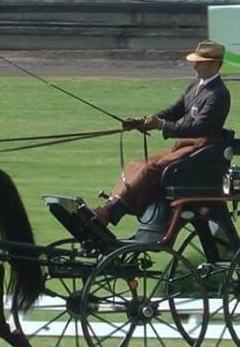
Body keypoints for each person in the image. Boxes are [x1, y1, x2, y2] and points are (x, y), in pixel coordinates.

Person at [93, 39, 232, 227]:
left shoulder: (218, 94)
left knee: (150, 169)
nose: (195, 66)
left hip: (201, 148)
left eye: (200, 62)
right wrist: (143, 121)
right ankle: (111, 204)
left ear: (214, 64)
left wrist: (161, 126)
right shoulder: (195, 86)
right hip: (185, 145)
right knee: (136, 164)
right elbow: (174, 111)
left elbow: (199, 128)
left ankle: (111, 213)